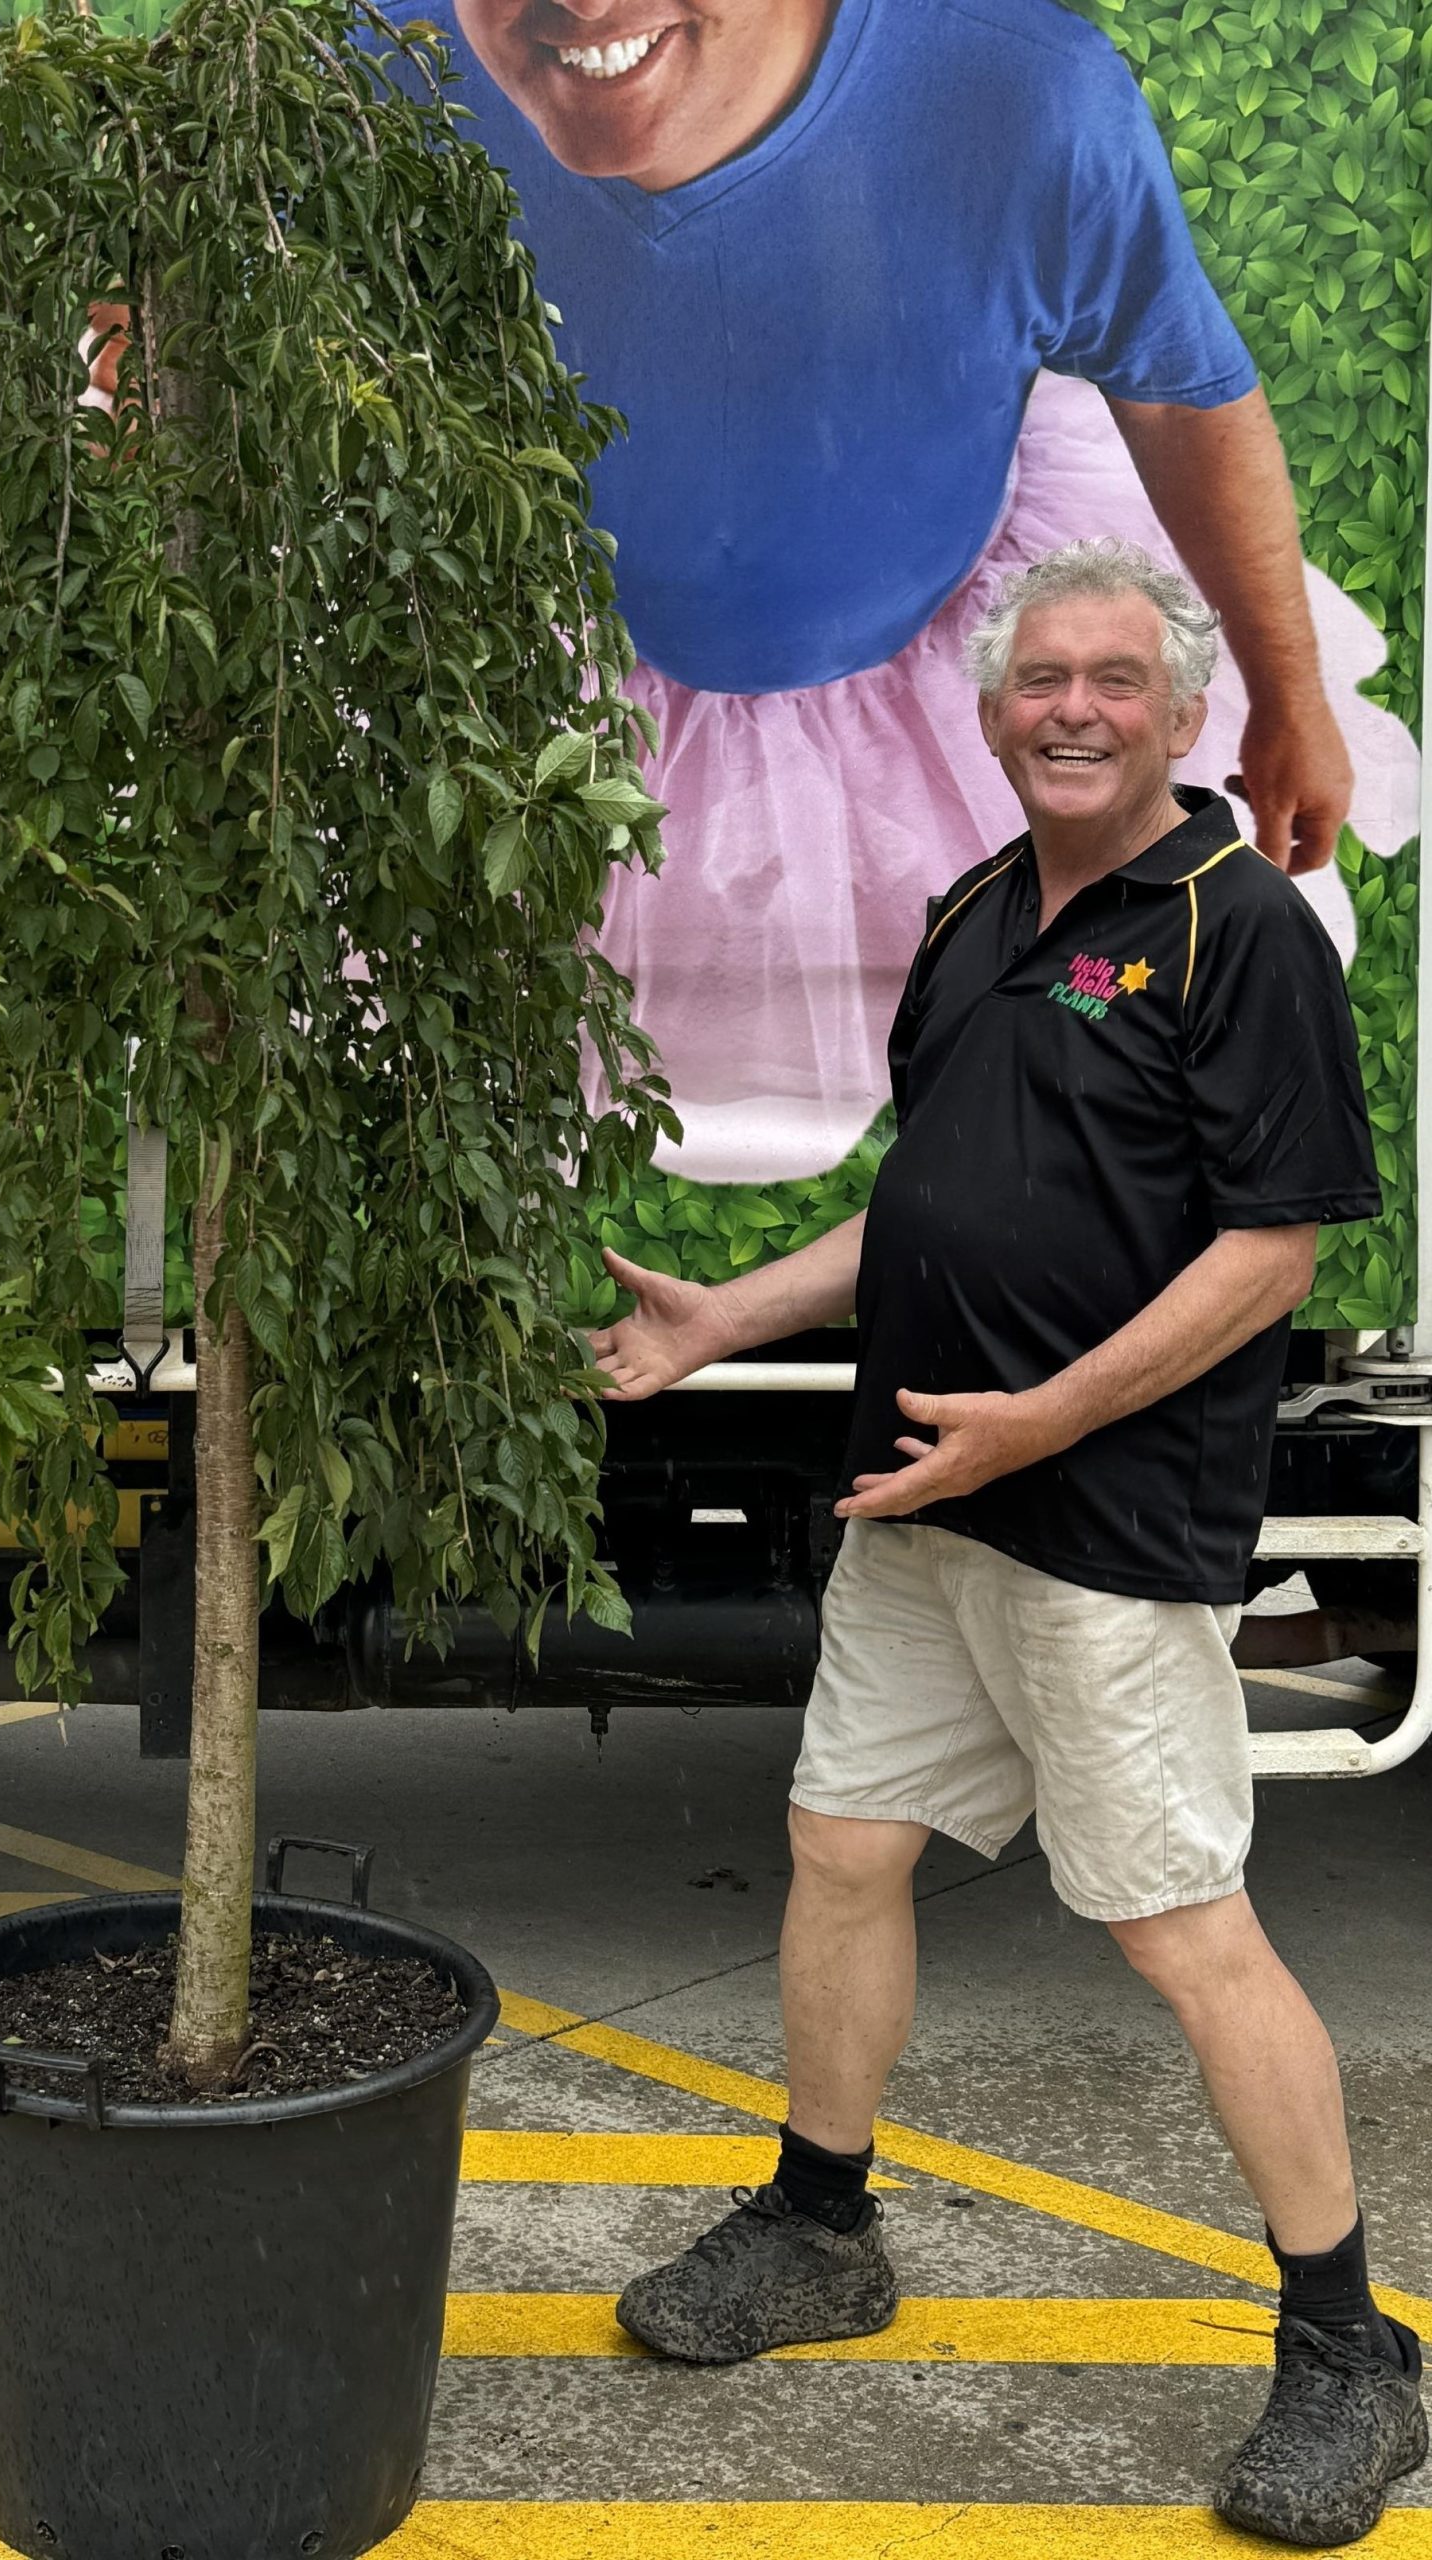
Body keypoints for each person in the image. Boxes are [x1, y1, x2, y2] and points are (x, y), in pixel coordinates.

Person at [589, 539, 1425, 2546]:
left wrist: (1049, 1415)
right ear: (990, 710)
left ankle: (1350, 2347)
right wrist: (731, 1311)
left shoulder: (1242, 931)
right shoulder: (978, 910)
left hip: (1104, 1523)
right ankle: (819, 2221)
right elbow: (934, 1203)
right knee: (844, 1846)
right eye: (1041, 677)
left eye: (1115, 680)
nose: (1072, 707)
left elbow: (1276, 1242)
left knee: (1173, 1918)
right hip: (923, 1502)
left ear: (1181, 709)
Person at [379, 0, 1417, 1183]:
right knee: (541, 1013)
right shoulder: (386, 58)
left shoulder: (1023, 92)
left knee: (1072, 1010)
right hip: (560, 670)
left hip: (940, 669)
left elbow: (1177, 397)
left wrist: (1286, 692)